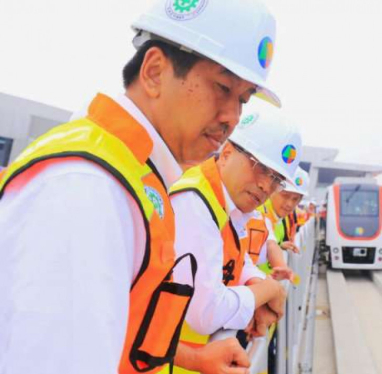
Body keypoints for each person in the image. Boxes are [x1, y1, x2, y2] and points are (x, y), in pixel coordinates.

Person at [0, 0, 280, 373]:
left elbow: (119, 326)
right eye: (222, 87)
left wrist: (194, 358)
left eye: (242, 100)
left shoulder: (136, 174)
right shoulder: (88, 189)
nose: (232, 118)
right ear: (153, 72)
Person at [168, 113, 301, 373]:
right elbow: (206, 314)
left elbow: (239, 259)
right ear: (227, 153)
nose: (266, 185)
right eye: (259, 167)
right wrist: (269, 291)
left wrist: (255, 282)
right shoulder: (195, 203)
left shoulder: (229, 206)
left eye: (276, 179)